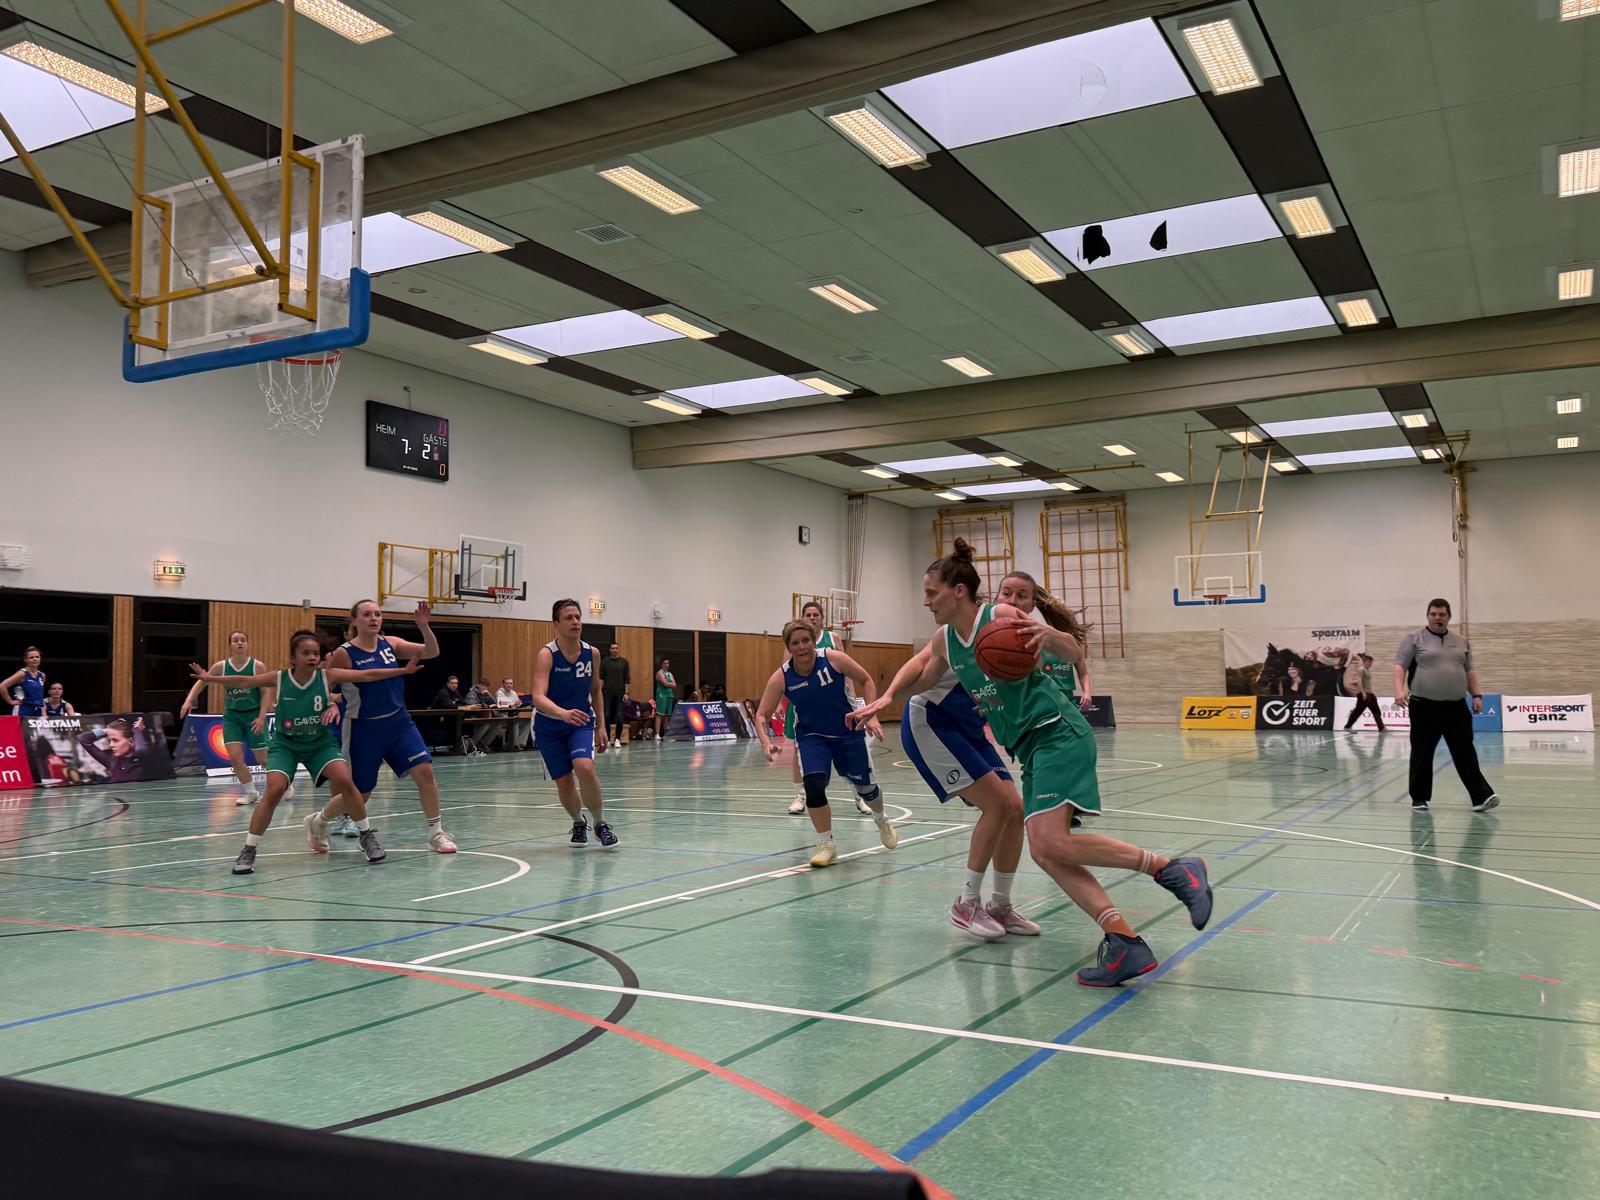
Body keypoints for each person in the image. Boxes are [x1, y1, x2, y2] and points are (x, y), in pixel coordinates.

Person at [850, 538, 1213, 986]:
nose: (926, 601)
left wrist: (1052, 638)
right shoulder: (946, 639)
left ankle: (1170, 869)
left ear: (958, 591)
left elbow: (1074, 652)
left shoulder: (999, 617)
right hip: (1030, 747)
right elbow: (922, 671)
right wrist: (885, 698)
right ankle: (1124, 942)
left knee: (1050, 842)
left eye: (931, 592)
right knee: (1046, 849)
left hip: (1057, 733)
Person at [190, 631, 420, 874]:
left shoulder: (327, 676)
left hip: (319, 743)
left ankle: (366, 835)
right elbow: (245, 682)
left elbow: (367, 675)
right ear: (293, 657)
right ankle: (249, 849)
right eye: (306, 653)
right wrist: (211, 679)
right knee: (274, 790)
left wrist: (403, 670)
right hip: (286, 744)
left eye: (316, 654)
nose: (312, 657)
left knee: (345, 780)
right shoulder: (280, 678)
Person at [884, 639, 1034, 938]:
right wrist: (888, 696)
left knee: (1015, 809)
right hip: (932, 720)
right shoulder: (956, 634)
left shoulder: (1017, 639)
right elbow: (920, 663)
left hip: (969, 727)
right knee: (997, 805)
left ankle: (1000, 905)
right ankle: (966, 903)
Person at [319, 600, 457, 853]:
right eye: (367, 614)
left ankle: (436, 833)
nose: (374, 618)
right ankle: (319, 821)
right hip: (363, 728)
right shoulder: (344, 653)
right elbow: (323, 685)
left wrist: (424, 626)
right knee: (360, 793)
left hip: (398, 722)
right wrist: (331, 703)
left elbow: (431, 651)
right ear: (354, 620)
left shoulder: (390, 644)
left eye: (377, 614)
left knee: (425, 772)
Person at [756, 620, 897, 867]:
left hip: (847, 732)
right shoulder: (782, 676)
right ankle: (826, 844)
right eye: (795, 643)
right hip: (812, 736)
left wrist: (872, 714)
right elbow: (761, 715)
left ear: (814, 641)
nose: (802, 646)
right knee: (814, 786)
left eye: (806, 640)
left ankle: (881, 818)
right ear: (788, 647)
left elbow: (866, 679)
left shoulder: (833, 659)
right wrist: (766, 742)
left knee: (868, 791)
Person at [1394, 599, 1500, 813]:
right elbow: (1400, 666)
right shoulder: (1413, 639)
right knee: (1422, 752)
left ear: (1449, 616)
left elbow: (1468, 670)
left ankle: (1481, 797)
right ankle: (1419, 798)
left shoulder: (1461, 641)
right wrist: (1399, 690)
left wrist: (1477, 695)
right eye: (1433, 614)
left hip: (1456, 707)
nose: (1437, 618)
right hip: (1423, 706)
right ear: (1427, 615)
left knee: (1465, 751)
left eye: (1442, 614)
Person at [532, 599, 616, 847]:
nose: (575, 621)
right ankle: (579, 822)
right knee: (565, 782)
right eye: (568, 618)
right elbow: (537, 697)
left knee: (584, 767)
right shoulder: (547, 655)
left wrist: (601, 726)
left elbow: (596, 690)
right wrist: (562, 713)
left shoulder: (593, 653)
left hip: (580, 721)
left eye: (578, 617)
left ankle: (600, 823)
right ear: (556, 624)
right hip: (548, 726)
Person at [782, 601, 870, 816]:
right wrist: (781, 703)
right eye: (808, 614)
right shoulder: (793, 641)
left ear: (822, 618)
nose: (812, 618)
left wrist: (852, 696)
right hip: (804, 704)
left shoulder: (833, 639)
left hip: (835, 703)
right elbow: (784, 674)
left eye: (816, 614)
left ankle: (860, 796)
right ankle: (799, 796)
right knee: (799, 749)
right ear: (802, 618)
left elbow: (847, 671)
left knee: (849, 747)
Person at [180, 630, 279, 805]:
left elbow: (266, 693)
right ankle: (251, 792)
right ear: (230, 645)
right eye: (236, 640)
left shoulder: (257, 666)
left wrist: (262, 717)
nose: (239, 643)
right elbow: (202, 681)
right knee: (234, 757)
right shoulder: (221, 666)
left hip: (254, 715)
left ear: (247, 644)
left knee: (263, 759)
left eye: (243, 640)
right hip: (232, 717)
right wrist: (188, 700)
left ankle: (284, 784)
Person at [75, 717, 157, 784]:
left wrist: (136, 729)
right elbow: (83, 739)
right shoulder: (112, 761)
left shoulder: (144, 760)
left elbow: (141, 749)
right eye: (110, 740)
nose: (111, 745)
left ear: (131, 741)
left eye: (115, 740)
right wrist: (107, 730)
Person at [2, 647, 46, 719]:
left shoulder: (42, 675)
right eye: (31, 657)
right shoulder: (22, 673)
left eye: (37, 657)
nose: (35, 659)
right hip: (23, 708)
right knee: (18, 727)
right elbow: (2, 686)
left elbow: (39, 694)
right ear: (26, 660)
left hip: (37, 710)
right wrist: (10, 701)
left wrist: (43, 710)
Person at [1343, 653, 1384, 731]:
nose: (1371, 663)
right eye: (1369, 662)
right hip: (1364, 694)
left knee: (1376, 711)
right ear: (1365, 662)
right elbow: (1359, 681)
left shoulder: (1367, 671)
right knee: (1358, 711)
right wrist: (1363, 693)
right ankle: (1347, 727)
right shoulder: (1361, 670)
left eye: (1371, 662)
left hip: (1370, 694)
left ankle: (1381, 728)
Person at [600, 643, 631, 746]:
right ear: (610, 650)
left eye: (616, 648)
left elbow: (627, 679)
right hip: (607, 692)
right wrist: (599, 692)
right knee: (606, 715)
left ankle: (617, 739)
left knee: (620, 715)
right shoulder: (604, 662)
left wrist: (626, 692)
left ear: (618, 649)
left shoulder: (624, 662)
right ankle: (608, 739)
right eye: (612, 648)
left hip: (620, 692)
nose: (614, 650)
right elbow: (601, 678)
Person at [495, 676, 529, 749]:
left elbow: (517, 704)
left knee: (527, 722)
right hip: (502, 716)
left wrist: (519, 703)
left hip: (512, 715)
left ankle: (519, 743)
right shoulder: (499, 692)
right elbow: (501, 705)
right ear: (503, 684)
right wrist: (513, 703)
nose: (509, 685)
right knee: (515, 721)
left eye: (511, 683)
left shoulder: (513, 693)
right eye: (507, 683)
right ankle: (513, 745)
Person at [653, 658, 676, 741]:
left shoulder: (670, 674)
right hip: (662, 695)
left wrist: (669, 683)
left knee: (667, 715)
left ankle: (666, 734)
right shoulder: (659, 673)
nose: (666, 665)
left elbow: (674, 684)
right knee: (659, 715)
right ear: (661, 664)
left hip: (669, 695)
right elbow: (665, 683)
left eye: (668, 663)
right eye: (665, 663)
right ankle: (657, 734)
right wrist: (670, 683)